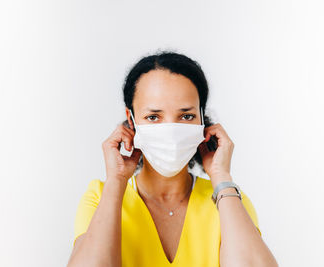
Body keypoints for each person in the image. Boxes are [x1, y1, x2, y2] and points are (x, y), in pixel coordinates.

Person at [67, 51, 278, 267]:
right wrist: (116, 181)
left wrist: (221, 177)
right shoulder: (100, 197)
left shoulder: (228, 200)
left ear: (202, 119)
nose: (170, 130)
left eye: (186, 116)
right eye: (153, 117)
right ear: (131, 120)